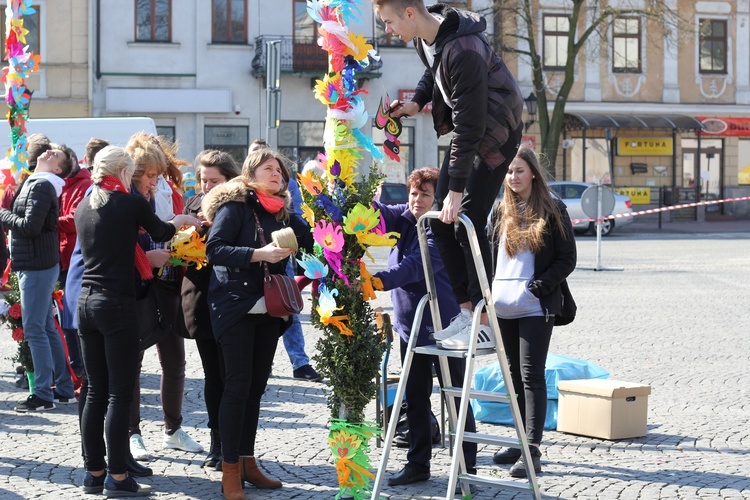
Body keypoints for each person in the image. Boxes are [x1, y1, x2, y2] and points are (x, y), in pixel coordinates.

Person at [373, 0, 524, 349]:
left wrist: (456, 191)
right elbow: (432, 69)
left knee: (464, 219)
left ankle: (485, 323)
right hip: (472, 128)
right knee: (436, 220)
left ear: (410, 13)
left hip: (497, 129)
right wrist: (418, 100)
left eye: (389, 21)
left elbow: (470, 126)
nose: (387, 30)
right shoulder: (425, 38)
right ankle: (468, 313)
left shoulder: (465, 49)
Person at [75, 145, 200, 496]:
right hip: (116, 304)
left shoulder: (85, 205)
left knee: (95, 391)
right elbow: (161, 231)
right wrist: (182, 221)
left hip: (86, 304)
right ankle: (117, 477)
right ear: (124, 172)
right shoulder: (128, 202)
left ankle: (93, 474)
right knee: (117, 394)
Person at [203, 149, 313, 499]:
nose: (277, 174)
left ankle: (248, 462)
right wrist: (258, 254)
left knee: (255, 389)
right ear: (251, 174)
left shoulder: (283, 212)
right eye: (269, 168)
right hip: (235, 308)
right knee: (236, 387)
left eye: (280, 170)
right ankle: (230, 471)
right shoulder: (235, 208)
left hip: (270, 311)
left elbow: (310, 244)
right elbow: (214, 249)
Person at [372, 167, 478, 487]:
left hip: (446, 328)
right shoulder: (406, 217)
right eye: (414, 193)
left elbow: (414, 268)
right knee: (416, 397)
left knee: (456, 397)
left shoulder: (439, 229)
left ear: (439, 199)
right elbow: (377, 213)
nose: (417, 200)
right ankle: (418, 464)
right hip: (411, 329)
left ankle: (466, 470)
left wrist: (376, 281)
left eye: (425, 195)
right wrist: (357, 192)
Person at [488, 147, 576, 477]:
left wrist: (538, 286)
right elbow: (487, 255)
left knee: (531, 375)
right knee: (512, 379)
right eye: (509, 171)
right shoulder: (499, 211)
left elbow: (567, 259)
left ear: (533, 173)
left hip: (536, 306)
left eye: (519, 171)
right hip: (503, 306)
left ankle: (533, 450)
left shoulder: (554, 209)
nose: (513, 177)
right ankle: (521, 440)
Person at [125, 133, 203, 460]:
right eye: (149, 173)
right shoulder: (126, 196)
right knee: (132, 361)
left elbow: (172, 232)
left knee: (175, 360)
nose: (154, 179)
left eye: (157, 172)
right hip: (139, 284)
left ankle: (173, 429)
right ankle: (132, 433)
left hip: (169, 280)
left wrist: (184, 245)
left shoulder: (169, 191)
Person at [180, 150, 241, 470]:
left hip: (233, 302)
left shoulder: (240, 209)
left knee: (233, 376)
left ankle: (235, 447)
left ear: (230, 181)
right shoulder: (191, 206)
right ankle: (216, 444)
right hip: (201, 301)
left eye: (214, 181)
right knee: (212, 376)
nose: (206, 187)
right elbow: (178, 253)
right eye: (203, 180)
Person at [1, 148, 76, 412]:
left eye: (54, 153)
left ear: (58, 168)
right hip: (35, 263)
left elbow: (30, 227)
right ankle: (64, 390)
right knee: (44, 326)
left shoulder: (43, 185)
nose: (48, 151)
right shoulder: (36, 181)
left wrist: (2, 213)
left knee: (35, 328)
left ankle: (43, 395)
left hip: (36, 265)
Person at [249, 138, 321, 381]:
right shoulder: (239, 200)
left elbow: (298, 220)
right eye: (260, 163)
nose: (271, 172)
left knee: (288, 308)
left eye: (273, 167)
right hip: (250, 271)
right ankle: (261, 361)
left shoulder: (285, 189)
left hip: (281, 262)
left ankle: (299, 363)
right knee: (256, 316)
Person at [58, 145, 92, 380]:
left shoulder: (83, 184)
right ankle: (75, 365)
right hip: (59, 257)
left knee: (73, 317)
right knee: (65, 318)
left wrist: (46, 220)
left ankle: (81, 367)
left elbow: (74, 220)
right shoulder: (59, 184)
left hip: (74, 259)